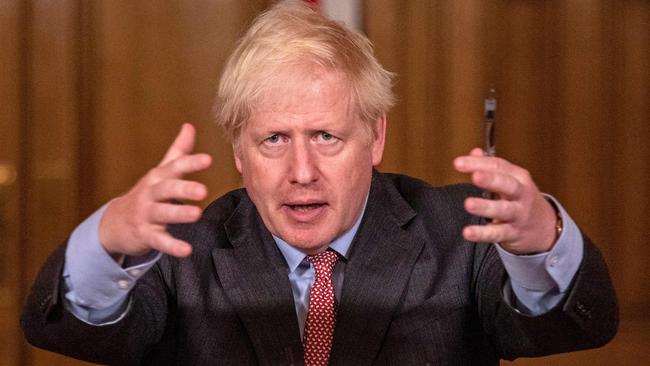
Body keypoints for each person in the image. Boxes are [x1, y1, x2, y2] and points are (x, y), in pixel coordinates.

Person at [21, 1, 618, 365]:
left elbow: (577, 328)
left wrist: (542, 238)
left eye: (326, 137)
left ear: (375, 138)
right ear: (238, 150)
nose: (301, 172)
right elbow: (73, 335)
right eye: (274, 139)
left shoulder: (464, 231)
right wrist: (109, 243)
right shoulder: (178, 246)